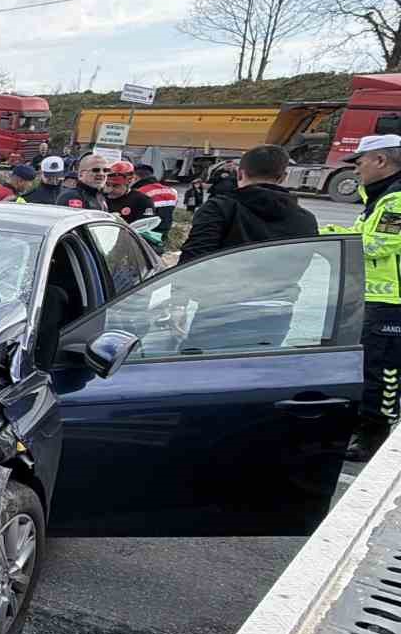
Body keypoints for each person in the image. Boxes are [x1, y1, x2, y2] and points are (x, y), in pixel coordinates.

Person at [324, 135, 401, 461]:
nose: (357, 170)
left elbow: (377, 245)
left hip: (392, 302)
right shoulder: (378, 198)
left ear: (381, 161)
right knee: (365, 363)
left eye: (360, 162)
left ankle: (374, 434)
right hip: (373, 297)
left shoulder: (396, 200)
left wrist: (330, 238)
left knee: (382, 370)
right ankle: (361, 425)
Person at [179, 144, 316, 263]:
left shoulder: (217, 209)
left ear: (239, 174)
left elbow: (192, 263)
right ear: (283, 177)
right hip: (279, 293)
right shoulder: (306, 219)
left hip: (221, 292)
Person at [133, 163, 179, 234]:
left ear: (135, 177)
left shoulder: (139, 192)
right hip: (165, 231)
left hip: (147, 233)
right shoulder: (172, 191)